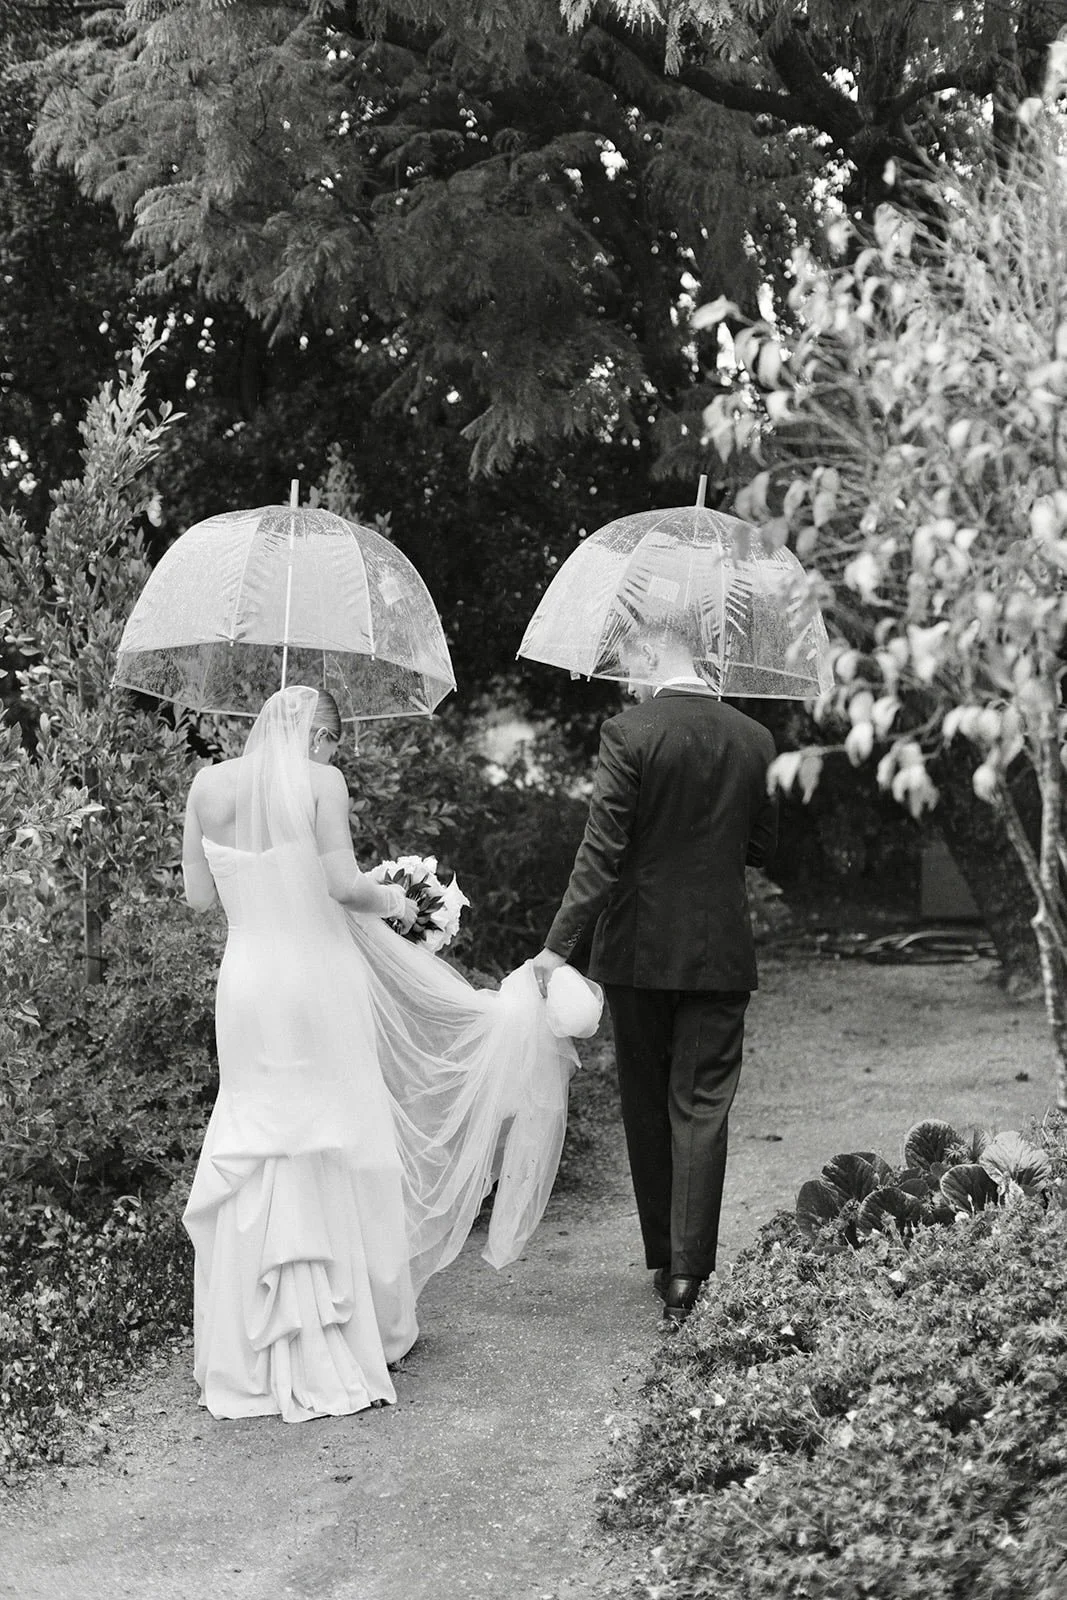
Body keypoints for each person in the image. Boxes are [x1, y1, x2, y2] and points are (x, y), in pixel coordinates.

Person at [182, 685, 580, 1422]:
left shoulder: (206, 786)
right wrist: (402, 902)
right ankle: (349, 1327)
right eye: (335, 742)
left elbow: (199, 898)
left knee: (257, 1138)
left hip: (246, 986)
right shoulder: (321, 782)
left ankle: (247, 1346)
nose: (335, 755)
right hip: (317, 982)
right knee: (338, 1135)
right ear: (320, 734)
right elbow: (341, 886)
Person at [532, 622, 777, 1328]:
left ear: (649, 653)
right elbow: (760, 846)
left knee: (646, 1102)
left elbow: (600, 853)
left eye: (624, 666)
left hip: (638, 950)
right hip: (719, 950)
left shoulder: (629, 733)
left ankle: (663, 1259)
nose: (625, 680)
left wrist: (558, 948)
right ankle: (688, 1277)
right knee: (701, 1105)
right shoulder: (754, 739)